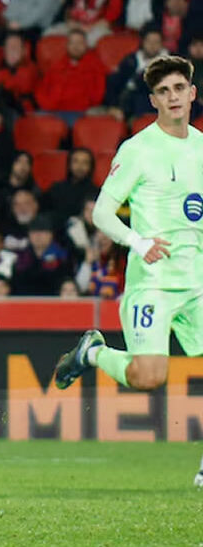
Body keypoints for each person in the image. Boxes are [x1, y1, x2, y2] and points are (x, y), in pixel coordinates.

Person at [54, 55, 203, 487]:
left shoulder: (200, 147)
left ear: (192, 93)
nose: (173, 97)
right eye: (163, 91)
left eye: (179, 88)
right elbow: (102, 213)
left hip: (196, 280)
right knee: (148, 377)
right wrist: (139, 242)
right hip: (154, 283)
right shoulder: (137, 150)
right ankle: (93, 354)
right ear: (153, 99)